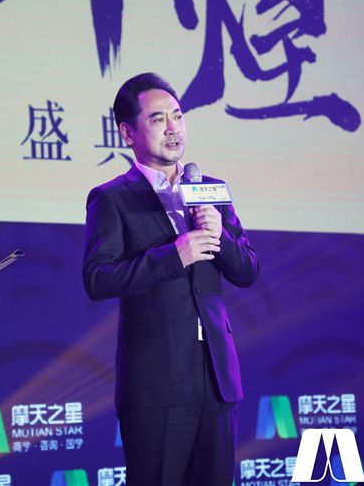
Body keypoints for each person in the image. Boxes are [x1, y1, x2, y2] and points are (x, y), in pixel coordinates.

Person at [83, 73, 259, 485]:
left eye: (178, 116)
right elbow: (98, 278)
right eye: (158, 119)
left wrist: (220, 237)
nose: (173, 128)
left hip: (217, 378)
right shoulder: (111, 198)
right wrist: (173, 255)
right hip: (156, 383)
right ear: (128, 132)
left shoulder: (212, 190)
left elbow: (248, 270)